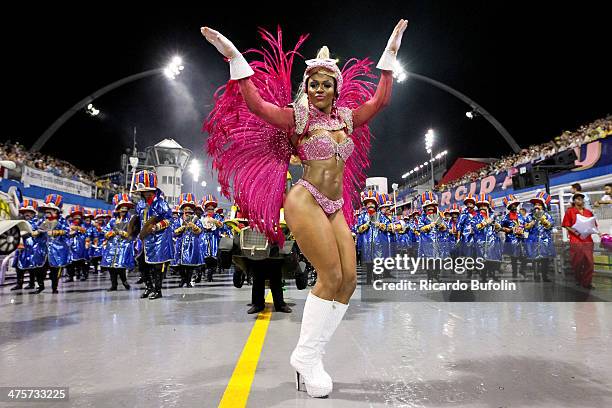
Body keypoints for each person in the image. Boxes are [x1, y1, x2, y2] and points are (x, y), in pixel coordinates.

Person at [202, 18, 406, 398]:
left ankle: (312, 356)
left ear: (335, 89)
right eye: (313, 84)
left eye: (326, 84)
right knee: (329, 277)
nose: (319, 89)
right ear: (306, 87)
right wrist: (233, 57)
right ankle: (307, 358)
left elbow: (380, 101)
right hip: (306, 198)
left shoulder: (346, 119)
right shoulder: (297, 118)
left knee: (348, 283)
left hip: (336, 205)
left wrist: (390, 54)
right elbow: (257, 105)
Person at [133, 170, 174, 300]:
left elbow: (170, 219)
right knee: (141, 263)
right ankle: (148, 287)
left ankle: (157, 290)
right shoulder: (140, 204)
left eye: (146, 190)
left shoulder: (161, 203)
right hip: (145, 239)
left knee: (157, 265)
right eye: (143, 191)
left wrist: (157, 226)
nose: (145, 193)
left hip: (159, 239)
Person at [34, 194, 70, 294]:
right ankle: (40, 286)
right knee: (39, 270)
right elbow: (36, 230)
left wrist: (57, 232)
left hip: (57, 250)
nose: (47, 211)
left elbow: (67, 231)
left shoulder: (62, 221)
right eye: (46, 209)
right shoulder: (42, 221)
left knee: (55, 271)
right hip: (43, 250)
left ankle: (54, 287)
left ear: (56, 210)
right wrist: (35, 233)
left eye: (50, 209)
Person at [562, 192, 598, 289]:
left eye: (581, 199)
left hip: (587, 240)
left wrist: (597, 232)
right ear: (574, 201)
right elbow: (566, 225)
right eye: (577, 199)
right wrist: (577, 232)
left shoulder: (588, 212)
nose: (580, 200)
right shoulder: (570, 211)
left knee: (589, 262)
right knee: (577, 262)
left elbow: (594, 225)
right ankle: (579, 279)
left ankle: (587, 282)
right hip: (576, 240)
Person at [101, 194, 134, 291]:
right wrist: (109, 234)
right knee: (111, 267)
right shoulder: (112, 221)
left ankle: (124, 282)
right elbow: (105, 231)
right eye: (121, 208)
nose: (123, 210)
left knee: (120, 266)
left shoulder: (130, 220)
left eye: (125, 209)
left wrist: (125, 233)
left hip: (123, 245)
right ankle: (113, 285)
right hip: (112, 245)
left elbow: (133, 232)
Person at [10, 199, 45, 291]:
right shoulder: (19, 222)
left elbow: (39, 232)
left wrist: (29, 233)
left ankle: (32, 283)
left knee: (32, 267)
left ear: (33, 213)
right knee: (18, 266)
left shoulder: (38, 222)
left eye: (29, 212)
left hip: (32, 248)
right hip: (21, 247)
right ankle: (19, 283)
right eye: (24, 212)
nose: (26, 214)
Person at [172, 193, 204, 288]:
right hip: (180, 244)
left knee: (190, 265)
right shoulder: (178, 220)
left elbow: (200, 231)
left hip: (192, 244)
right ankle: (183, 278)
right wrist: (180, 229)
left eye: (190, 209)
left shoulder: (196, 220)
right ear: (182, 210)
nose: (187, 211)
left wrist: (193, 226)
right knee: (180, 265)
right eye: (185, 209)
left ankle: (188, 280)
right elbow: (173, 232)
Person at [524, 192, 555, 282]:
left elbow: (550, 226)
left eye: (539, 204)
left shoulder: (547, 216)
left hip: (544, 240)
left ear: (543, 206)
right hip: (533, 240)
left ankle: (545, 276)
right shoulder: (530, 216)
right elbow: (525, 228)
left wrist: (543, 220)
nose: (537, 206)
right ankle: (536, 275)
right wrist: (531, 224)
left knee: (545, 259)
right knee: (535, 259)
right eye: (535, 204)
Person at [417, 191, 447, 282]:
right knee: (429, 261)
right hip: (427, 242)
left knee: (438, 260)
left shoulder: (438, 216)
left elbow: (445, 227)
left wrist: (442, 226)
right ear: (425, 208)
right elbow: (420, 228)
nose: (430, 208)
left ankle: (437, 275)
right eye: (428, 207)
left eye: (432, 206)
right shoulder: (422, 218)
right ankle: (430, 276)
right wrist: (429, 226)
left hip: (438, 242)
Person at [473, 194, 502, 282]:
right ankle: (483, 277)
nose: (482, 207)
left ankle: (493, 274)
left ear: (487, 206)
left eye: (484, 205)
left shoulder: (492, 215)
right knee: (483, 260)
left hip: (492, 239)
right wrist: (485, 223)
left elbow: (498, 228)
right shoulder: (476, 216)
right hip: (481, 240)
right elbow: (475, 227)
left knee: (492, 259)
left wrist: (497, 225)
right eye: (480, 205)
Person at [500, 194, 527, 280]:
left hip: (522, 240)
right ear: (509, 207)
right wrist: (508, 230)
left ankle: (522, 270)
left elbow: (525, 225)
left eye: (515, 205)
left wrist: (525, 229)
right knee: (514, 258)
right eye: (512, 205)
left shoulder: (520, 216)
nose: (514, 207)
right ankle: (514, 273)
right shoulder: (505, 218)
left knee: (524, 257)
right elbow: (500, 227)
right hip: (511, 240)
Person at [66, 205, 89, 282]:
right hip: (71, 245)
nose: (77, 218)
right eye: (75, 216)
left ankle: (83, 274)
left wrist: (79, 229)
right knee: (70, 262)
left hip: (81, 245)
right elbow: (66, 233)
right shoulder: (69, 224)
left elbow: (87, 233)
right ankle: (70, 276)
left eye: (78, 216)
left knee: (82, 261)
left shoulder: (84, 225)